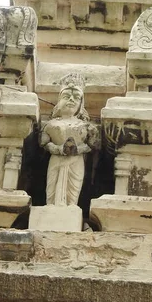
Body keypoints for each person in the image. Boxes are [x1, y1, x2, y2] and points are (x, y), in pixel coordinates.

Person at [40, 73, 99, 206]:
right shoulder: (50, 124)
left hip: (75, 160)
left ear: (80, 105)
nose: (71, 100)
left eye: (76, 98)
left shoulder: (86, 126)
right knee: (52, 185)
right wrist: (59, 149)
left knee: (73, 189)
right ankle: (51, 205)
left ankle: (71, 207)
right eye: (66, 96)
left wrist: (77, 149)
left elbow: (91, 145)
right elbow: (44, 143)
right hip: (56, 158)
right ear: (59, 101)